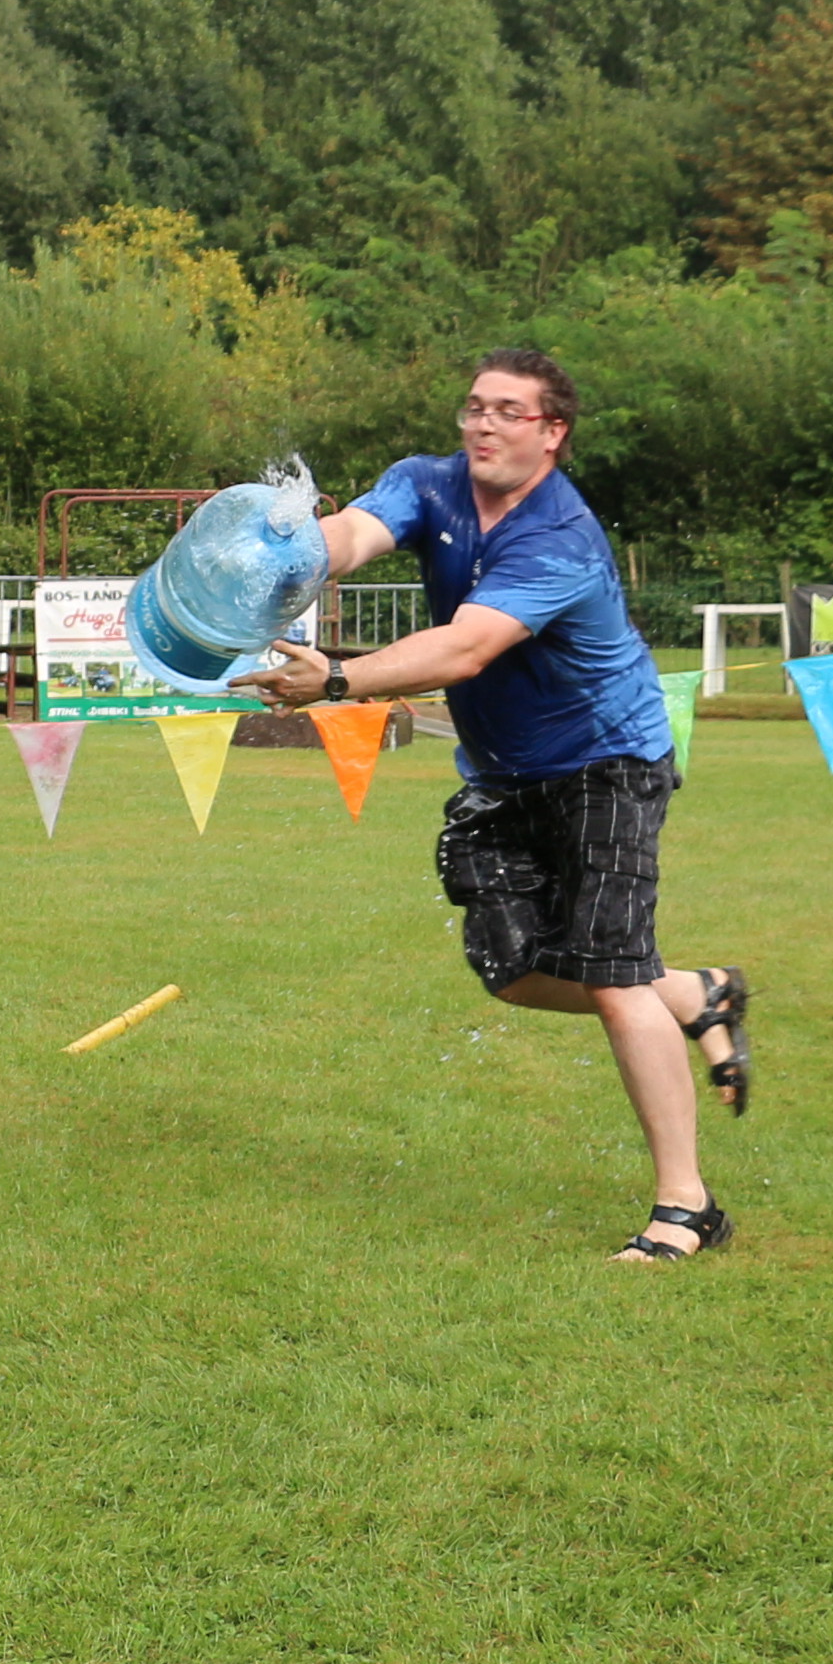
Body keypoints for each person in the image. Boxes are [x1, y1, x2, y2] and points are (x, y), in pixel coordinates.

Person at [245, 350, 752, 1262]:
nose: (482, 423)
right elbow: (351, 534)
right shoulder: (427, 483)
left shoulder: (559, 535)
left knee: (612, 974)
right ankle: (693, 991)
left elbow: (466, 647)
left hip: (607, 760)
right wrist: (283, 549)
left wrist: (340, 679)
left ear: (551, 432)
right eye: (474, 406)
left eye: (507, 411)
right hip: (504, 767)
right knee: (511, 968)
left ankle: (687, 1206)